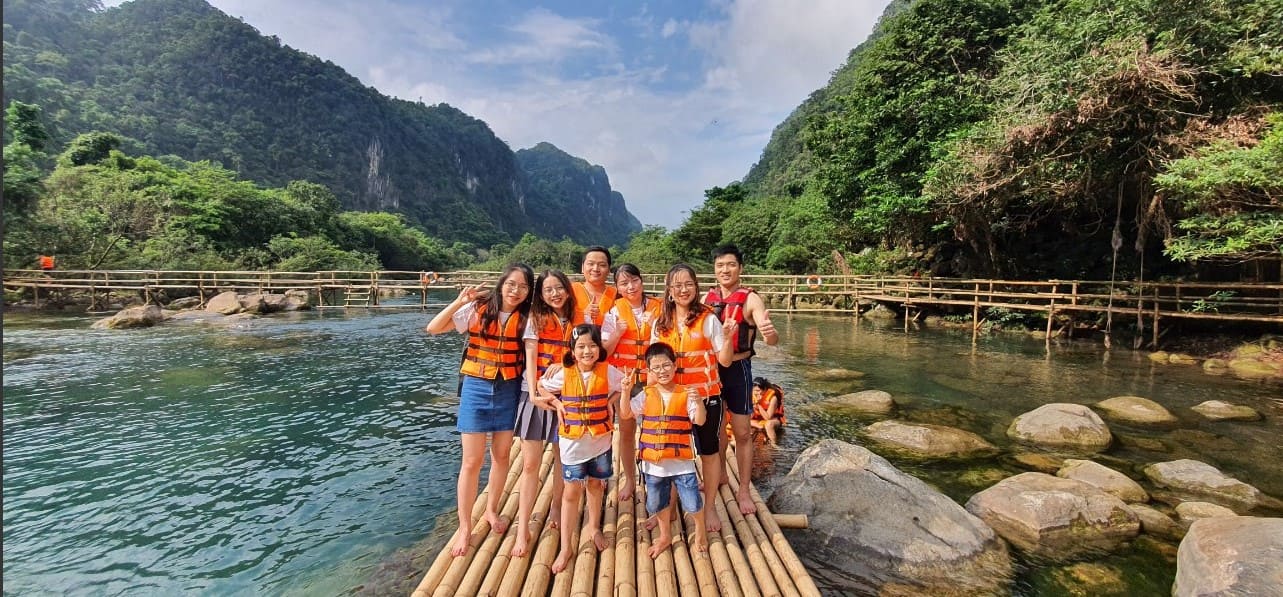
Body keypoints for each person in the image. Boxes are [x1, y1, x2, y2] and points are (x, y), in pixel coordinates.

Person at [424, 264, 534, 557]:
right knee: (471, 461)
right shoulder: (477, 308)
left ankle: (492, 510)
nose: (516, 291)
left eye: (523, 286)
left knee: (501, 457)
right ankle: (464, 527)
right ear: (501, 284)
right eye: (511, 284)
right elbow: (433, 328)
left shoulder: (527, 318)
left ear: (528, 291)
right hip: (476, 387)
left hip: (509, 389)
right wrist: (459, 302)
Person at [651, 263, 737, 533]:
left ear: (696, 287)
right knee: (670, 454)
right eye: (677, 285)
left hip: (705, 399)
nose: (683, 289)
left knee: (709, 454)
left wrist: (727, 338)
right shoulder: (660, 323)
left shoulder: (708, 319)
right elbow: (654, 366)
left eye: (688, 284)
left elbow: (724, 360)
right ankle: (670, 506)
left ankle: (709, 507)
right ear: (669, 290)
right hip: (672, 401)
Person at [536, 324, 623, 574]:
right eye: (581, 347)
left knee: (596, 485)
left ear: (600, 349)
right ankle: (566, 546)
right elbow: (541, 386)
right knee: (571, 492)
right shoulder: (565, 373)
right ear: (572, 351)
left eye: (593, 346)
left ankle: (594, 527)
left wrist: (610, 402)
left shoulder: (609, 371)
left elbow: (623, 385)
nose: (587, 351)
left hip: (600, 441)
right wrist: (556, 403)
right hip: (572, 444)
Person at [704, 244, 778, 516]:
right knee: (717, 427)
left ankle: (744, 489)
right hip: (712, 369)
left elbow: (769, 334)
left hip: (738, 370)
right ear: (714, 269)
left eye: (731, 265)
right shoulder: (707, 298)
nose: (725, 270)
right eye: (720, 265)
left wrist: (769, 333)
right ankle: (721, 474)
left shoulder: (750, 299)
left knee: (743, 432)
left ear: (740, 268)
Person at [619, 342, 708, 557]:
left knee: (693, 503)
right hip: (654, 465)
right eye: (656, 368)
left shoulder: (686, 393)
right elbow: (625, 414)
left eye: (666, 365)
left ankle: (701, 531)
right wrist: (625, 391)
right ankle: (665, 535)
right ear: (649, 371)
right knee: (657, 504)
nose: (662, 371)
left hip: (682, 464)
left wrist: (700, 403)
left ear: (675, 365)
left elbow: (700, 420)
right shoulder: (645, 395)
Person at [511, 269, 577, 557]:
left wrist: (564, 364)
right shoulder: (535, 322)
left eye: (559, 288)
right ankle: (523, 527)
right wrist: (535, 393)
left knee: (563, 458)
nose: (554, 294)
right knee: (530, 465)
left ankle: (557, 504)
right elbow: (531, 357)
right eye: (548, 289)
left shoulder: (577, 320)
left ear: (567, 289)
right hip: (535, 397)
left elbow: (587, 354)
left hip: (568, 396)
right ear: (540, 294)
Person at [602, 263, 662, 502]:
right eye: (623, 283)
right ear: (617, 287)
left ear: (641, 280)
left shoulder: (659, 308)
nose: (630, 287)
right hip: (625, 381)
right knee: (627, 432)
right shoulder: (614, 312)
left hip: (653, 379)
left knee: (655, 431)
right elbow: (604, 352)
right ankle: (628, 479)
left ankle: (655, 480)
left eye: (633, 280)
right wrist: (617, 333)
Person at [572, 245, 618, 326]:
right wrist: (583, 315)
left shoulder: (618, 294)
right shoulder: (569, 291)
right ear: (582, 268)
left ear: (609, 270)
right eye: (590, 264)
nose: (595, 269)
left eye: (602, 265)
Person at [750, 377, 785, 445]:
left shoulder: (773, 398)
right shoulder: (750, 396)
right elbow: (749, 416)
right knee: (742, 420)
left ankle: (774, 444)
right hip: (757, 420)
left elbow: (768, 417)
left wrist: (758, 405)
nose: (757, 393)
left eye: (759, 390)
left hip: (773, 420)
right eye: (755, 391)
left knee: (768, 424)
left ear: (765, 389)